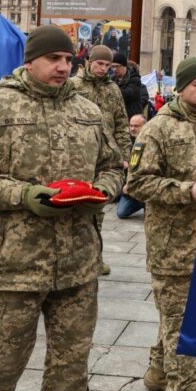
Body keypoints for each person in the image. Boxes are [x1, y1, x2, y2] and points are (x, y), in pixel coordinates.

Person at [0, 25, 122, 391]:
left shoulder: (88, 110)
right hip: (13, 269)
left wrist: (103, 191)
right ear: (30, 60)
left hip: (77, 266)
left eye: (68, 60)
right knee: (1, 366)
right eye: (53, 59)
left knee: (71, 370)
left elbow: (113, 166)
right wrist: (22, 195)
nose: (62, 67)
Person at [127, 57, 196, 391]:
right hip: (171, 247)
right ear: (181, 88)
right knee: (183, 327)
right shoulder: (158, 129)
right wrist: (185, 191)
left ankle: (158, 372)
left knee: (176, 317)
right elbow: (136, 183)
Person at [69, 44, 130, 276]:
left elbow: (122, 124)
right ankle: (74, 256)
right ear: (89, 62)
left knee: (98, 207)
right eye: (100, 64)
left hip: (105, 156)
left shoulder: (113, 89)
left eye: (108, 65)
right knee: (75, 205)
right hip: (79, 154)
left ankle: (95, 256)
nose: (104, 69)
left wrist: (124, 155)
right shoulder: (73, 85)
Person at [116, 114, 147, 219]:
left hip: (143, 183)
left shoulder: (144, 141)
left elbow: (135, 167)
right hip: (131, 185)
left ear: (145, 126)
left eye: (137, 126)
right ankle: (140, 201)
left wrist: (129, 184)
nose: (133, 129)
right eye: (131, 125)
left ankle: (146, 202)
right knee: (121, 212)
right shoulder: (127, 140)